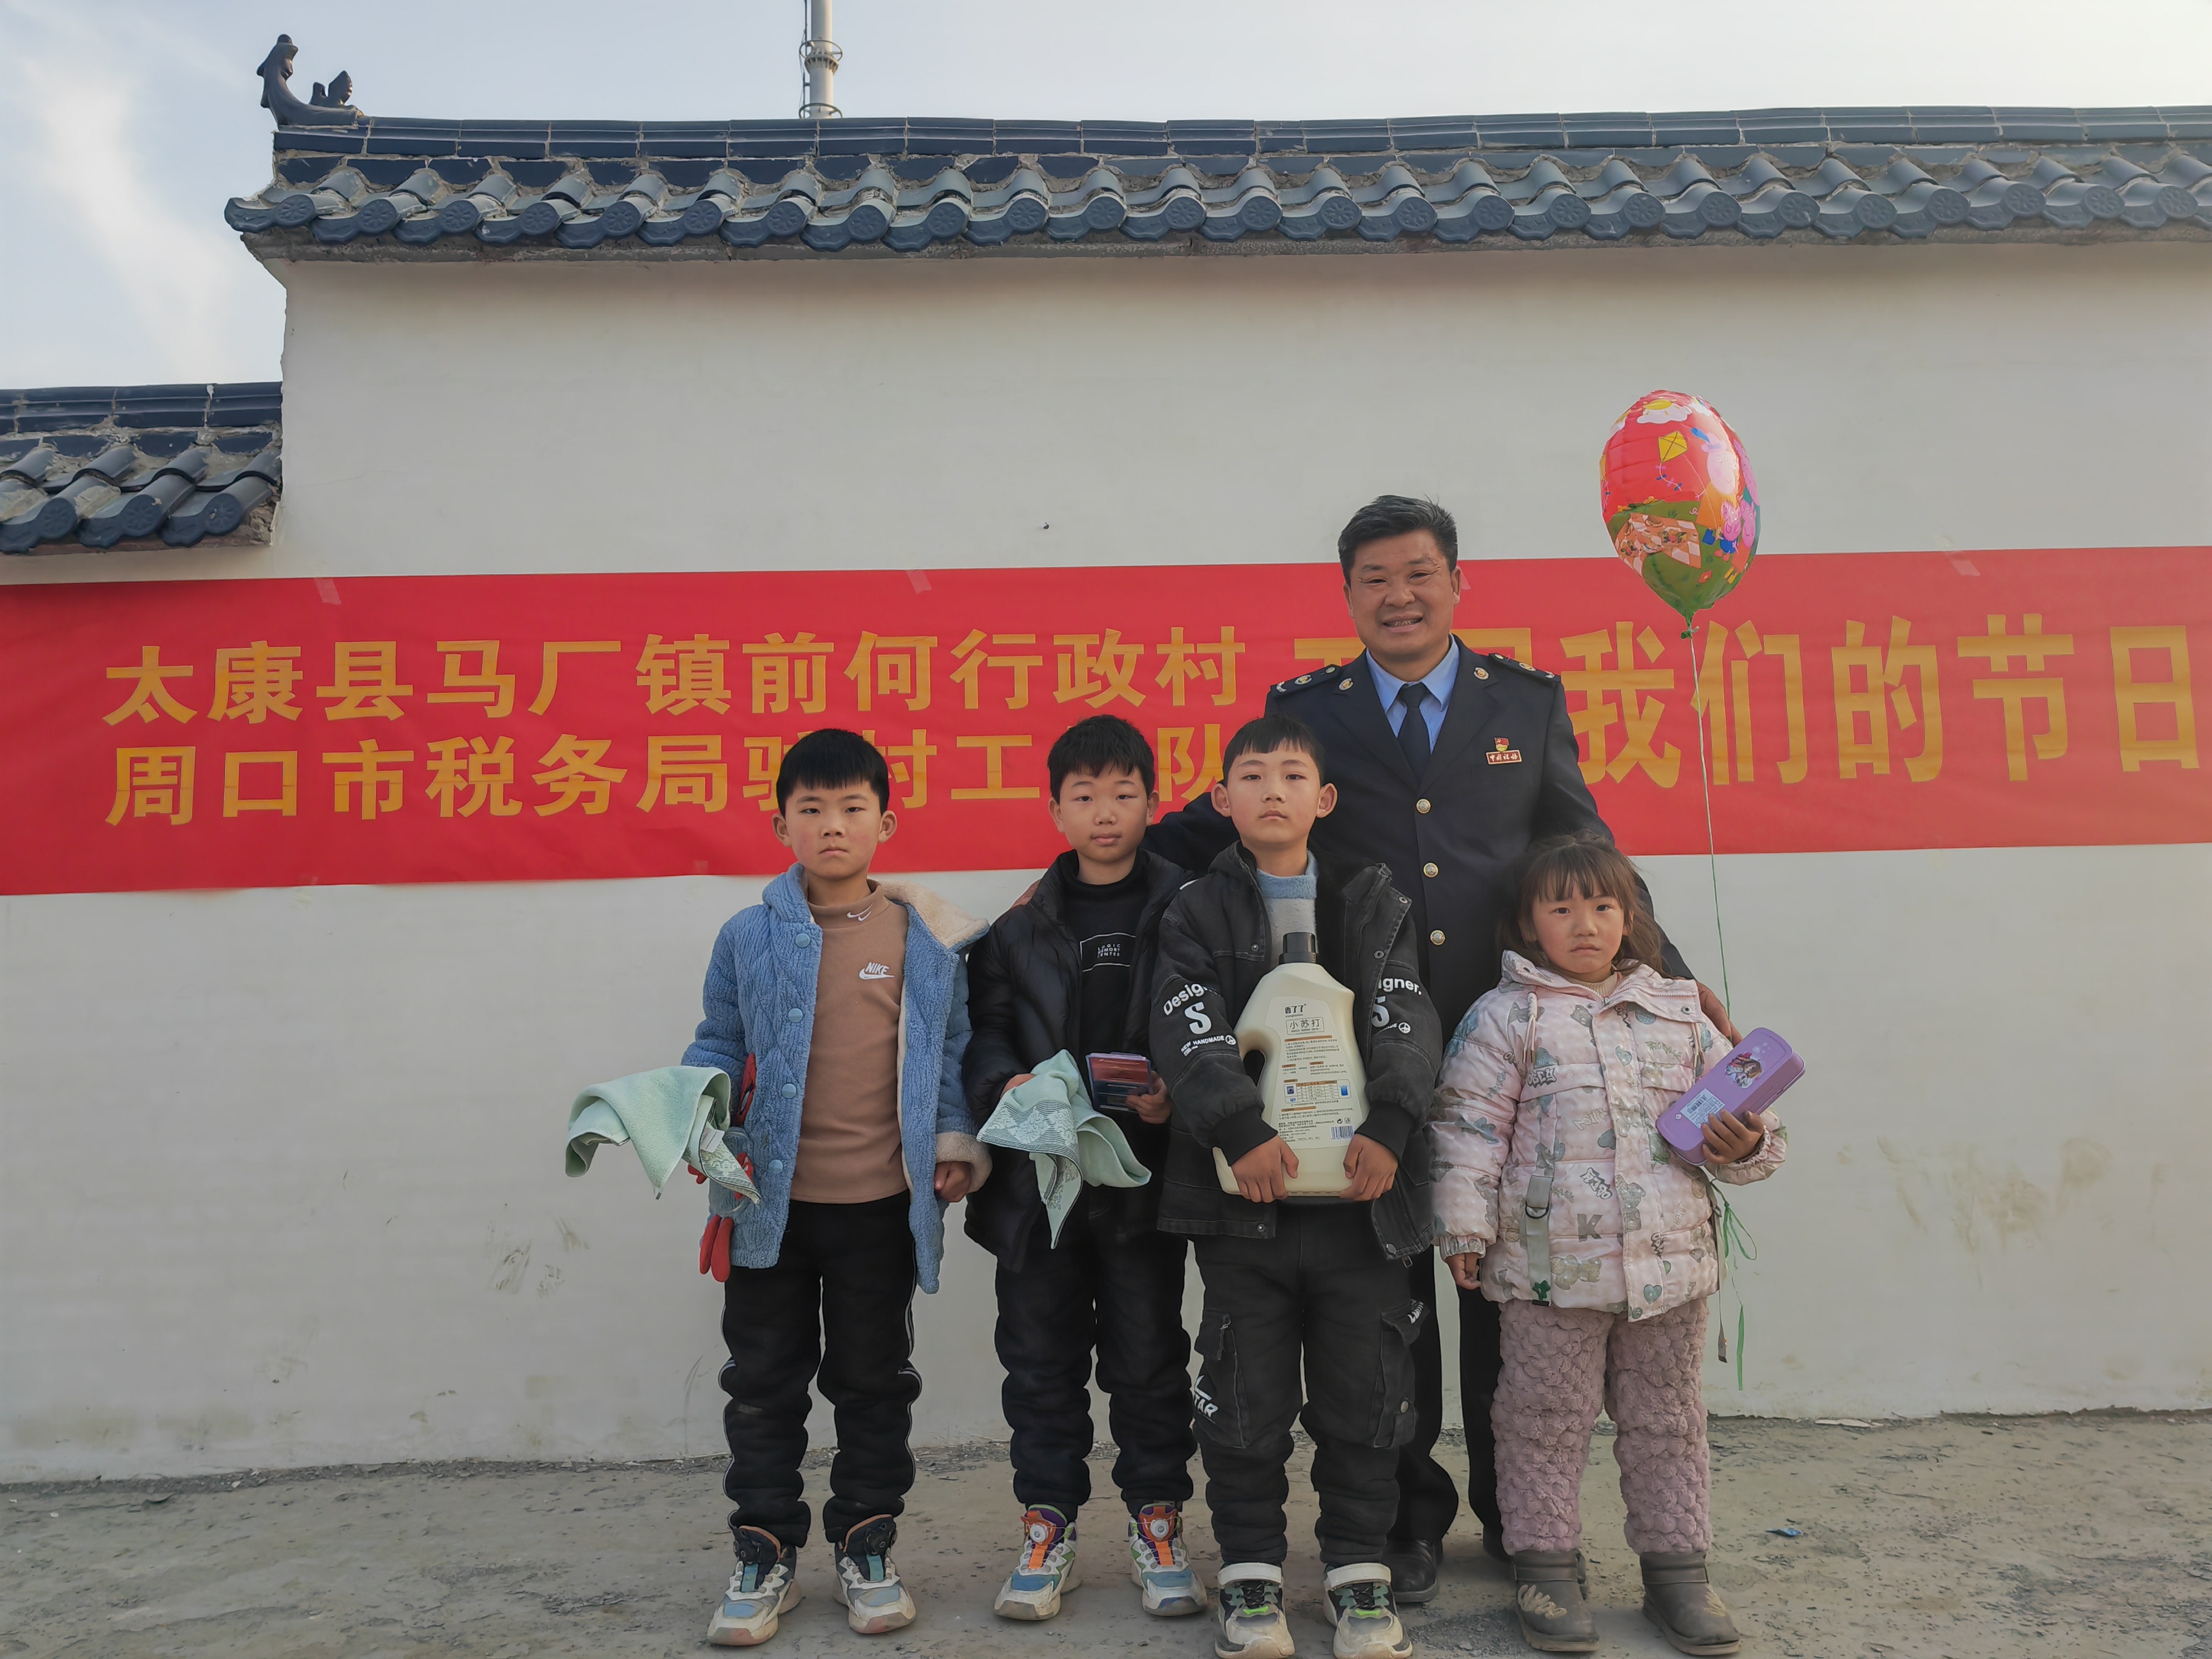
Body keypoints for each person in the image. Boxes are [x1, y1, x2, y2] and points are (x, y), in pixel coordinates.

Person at [1143, 494, 1737, 1597]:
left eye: (1418, 574)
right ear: (1347, 596)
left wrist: (1668, 972)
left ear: (1456, 584)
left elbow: (1585, 847)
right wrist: (1082, 873)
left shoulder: (1525, 701)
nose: (1399, 596)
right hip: (1364, 1056)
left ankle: (1521, 1520)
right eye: (1374, 579)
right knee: (1391, 1299)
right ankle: (1406, 1522)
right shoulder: (1305, 710)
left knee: (1508, 1291)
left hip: (1513, 1039)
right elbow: (1223, 815)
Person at [1430, 833, 1785, 1656]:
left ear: (1629, 918)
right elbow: (1467, 1130)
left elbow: (1753, 1127)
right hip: (1549, 1274)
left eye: (1602, 906)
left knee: (1669, 1422)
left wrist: (1748, 1144)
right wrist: (1463, 1230)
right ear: (1529, 924)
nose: (1584, 924)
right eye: (1561, 909)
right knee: (1541, 1422)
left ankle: (1678, 1575)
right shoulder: (1505, 1016)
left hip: (1672, 1270)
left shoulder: (1682, 1013)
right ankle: (1546, 1572)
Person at [683, 729, 994, 1648]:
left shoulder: (926, 940)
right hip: (766, 1210)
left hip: (880, 1211)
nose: (831, 825)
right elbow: (715, 1040)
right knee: (762, 1385)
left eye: (852, 808)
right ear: (780, 824)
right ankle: (764, 1549)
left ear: (884, 823)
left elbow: (950, 1056)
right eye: (811, 809)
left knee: (873, 1384)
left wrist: (954, 1145)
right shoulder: (746, 935)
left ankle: (867, 1544)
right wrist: (701, 1118)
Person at [1150, 713, 1442, 1659]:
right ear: (1221, 798)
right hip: (1247, 1214)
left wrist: (1392, 1125)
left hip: (1363, 1209)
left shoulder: (1373, 900)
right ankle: (1252, 1574)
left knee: (1369, 1400)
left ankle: (1358, 1572)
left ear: (1325, 799)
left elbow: (1408, 1014)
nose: (1271, 789)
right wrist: (1237, 1128)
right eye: (1251, 774)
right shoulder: (1195, 909)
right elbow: (1184, 1022)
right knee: (1244, 1401)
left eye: (1291, 774)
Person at [961, 715, 1204, 1623]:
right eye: (1085, 796)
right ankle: (1046, 1526)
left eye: (1124, 794)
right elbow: (983, 1033)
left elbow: (1214, 1019)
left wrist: (1178, 1094)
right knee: (1038, 1365)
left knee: (1149, 1363)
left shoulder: (1190, 907)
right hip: (1041, 1190)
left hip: (1145, 1183)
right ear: (1055, 809)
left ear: (1152, 801)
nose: (1106, 813)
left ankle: (1158, 1525)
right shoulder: (1017, 929)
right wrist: (1008, 1084)